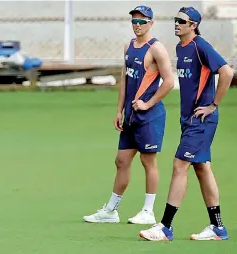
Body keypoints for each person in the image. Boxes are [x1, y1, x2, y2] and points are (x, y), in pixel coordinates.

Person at [139, 7, 234, 241]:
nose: (177, 24)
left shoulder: (200, 46)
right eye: (175, 19)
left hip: (201, 120)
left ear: (193, 25)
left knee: (179, 165)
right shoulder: (180, 48)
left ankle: (165, 227)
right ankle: (217, 228)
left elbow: (227, 72)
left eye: (182, 21)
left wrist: (214, 104)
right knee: (202, 168)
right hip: (189, 120)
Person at [83, 5, 174, 224]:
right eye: (134, 21)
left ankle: (148, 211)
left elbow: (169, 82)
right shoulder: (129, 46)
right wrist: (119, 110)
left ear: (151, 23)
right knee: (122, 160)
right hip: (130, 116)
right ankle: (111, 211)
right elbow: (125, 79)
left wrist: (147, 103)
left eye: (142, 21)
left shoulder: (157, 49)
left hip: (150, 116)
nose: (137, 25)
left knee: (148, 161)